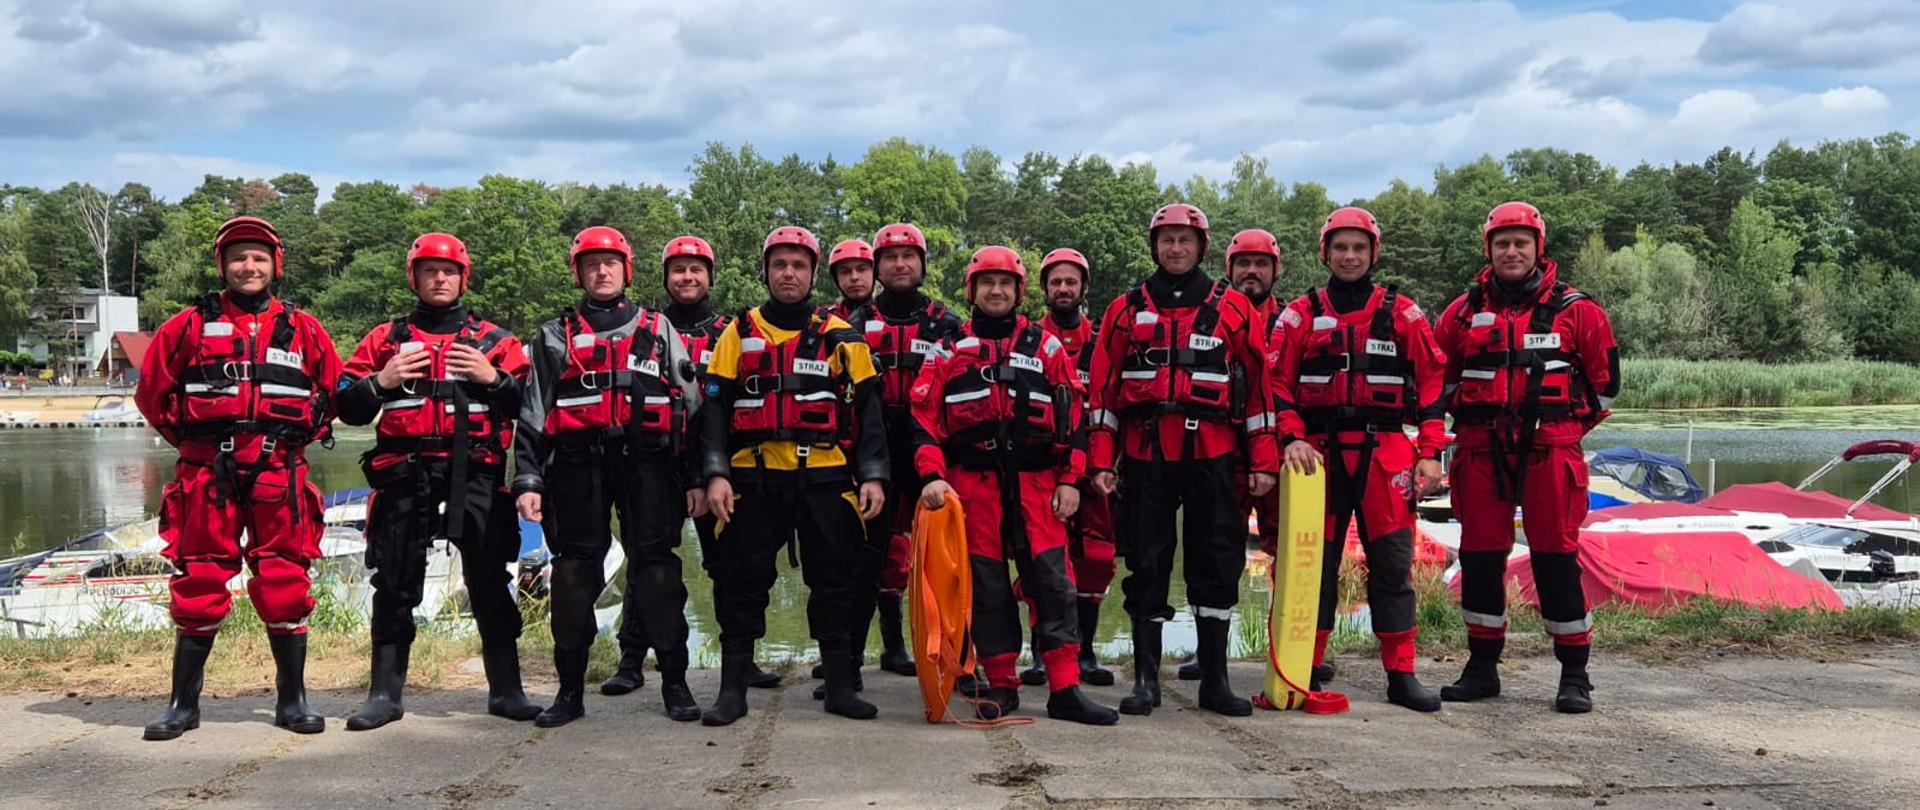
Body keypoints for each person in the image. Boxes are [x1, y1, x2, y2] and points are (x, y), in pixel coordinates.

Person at [134, 216, 341, 740]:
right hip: (206, 473)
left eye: (259, 258)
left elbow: (331, 395)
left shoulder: (305, 329)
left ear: (275, 266)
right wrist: (192, 446)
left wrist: (294, 443)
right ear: (222, 265)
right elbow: (152, 397)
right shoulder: (185, 327)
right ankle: (183, 704)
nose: (248, 267)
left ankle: (292, 701)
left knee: (286, 582)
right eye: (238, 258)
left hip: (281, 473)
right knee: (199, 578)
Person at [335, 232, 540, 731]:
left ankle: (506, 690)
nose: (440, 279)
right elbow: (344, 404)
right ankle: (384, 694)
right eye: (430, 271)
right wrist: (380, 381)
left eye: (448, 271)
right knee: (395, 581)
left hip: (479, 477)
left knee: (490, 581)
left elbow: (534, 409)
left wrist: (494, 379)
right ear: (415, 278)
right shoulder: (385, 340)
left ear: (462, 278)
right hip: (406, 474)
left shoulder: (497, 342)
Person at [911, 246, 1119, 725]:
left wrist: (1071, 480)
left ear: (1020, 291)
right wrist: (932, 475)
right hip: (972, 484)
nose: (997, 291)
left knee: (1054, 583)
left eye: (1006, 283)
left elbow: (1074, 419)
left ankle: (1064, 686)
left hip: (1037, 484)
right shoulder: (948, 348)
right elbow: (924, 421)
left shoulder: (1045, 347)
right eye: (987, 283)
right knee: (986, 588)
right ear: (973, 290)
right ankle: (1001, 682)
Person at [1087, 203, 1278, 718]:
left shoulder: (1234, 309)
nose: (1176, 248)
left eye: (1185, 240)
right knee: (1146, 561)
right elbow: (1103, 393)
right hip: (1145, 453)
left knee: (1217, 558)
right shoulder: (1124, 311)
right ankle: (1146, 680)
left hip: (1215, 453)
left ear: (1201, 248)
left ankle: (1214, 680)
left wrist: (1263, 462)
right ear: (1155, 246)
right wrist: (1102, 460)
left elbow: (1259, 395)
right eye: (1167, 239)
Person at [698, 225, 889, 726]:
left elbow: (870, 413)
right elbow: (714, 410)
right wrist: (716, 473)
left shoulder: (841, 336)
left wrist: (872, 475)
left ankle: (841, 687)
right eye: (779, 264)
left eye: (798, 265)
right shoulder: (737, 333)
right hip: (754, 478)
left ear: (811, 273)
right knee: (740, 581)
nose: (789, 273)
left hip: (825, 476)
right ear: (765, 272)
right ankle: (732, 690)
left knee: (838, 582)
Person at [1433, 201, 1619, 714]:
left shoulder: (1579, 310)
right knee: (1480, 556)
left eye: (1521, 243)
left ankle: (1575, 674)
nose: (1511, 251)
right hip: (1480, 448)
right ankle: (1481, 667)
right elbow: (1436, 384)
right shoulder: (1462, 312)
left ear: (1539, 247)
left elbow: (1606, 390)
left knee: (1555, 558)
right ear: (1489, 249)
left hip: (1550, 449)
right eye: (1502, 243)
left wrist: (1564, 430)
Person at [513, 226, 703, 727]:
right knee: (575, 573)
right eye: (592, 264)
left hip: (649, 464)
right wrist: (528, 480)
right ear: (579, 272)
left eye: (611, 263)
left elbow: (692, 407)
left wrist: (699, 478)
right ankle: (570, 692)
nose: (602, 271)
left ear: (626, 270)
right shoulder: (554, 336)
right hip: (577, 465)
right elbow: (533, 413)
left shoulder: (660, 329)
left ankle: (676, 684)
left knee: (658, 571)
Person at [1271, 207, 1448, 712]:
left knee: (1392, 564)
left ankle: (1401, 672)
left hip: (1388, 451)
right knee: (1315, 565)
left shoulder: (1405, 314)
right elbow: (1276, 385)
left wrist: (1431, 452)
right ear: (1325, 252)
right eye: (1340, 248)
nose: (1349, 257)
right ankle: (1307, 665)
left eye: (1359, 248)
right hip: (1317, 456)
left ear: (1373, 254)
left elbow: (1433, 384)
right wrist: (1291, 437)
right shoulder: (1299, 314)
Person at [600, 234, 785, 697]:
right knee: (647, 562)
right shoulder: (644, 328)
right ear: (665, 277)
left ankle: (741, 657)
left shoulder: (731, 331)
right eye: (678, 270)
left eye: (696, 269)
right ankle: (631, 657)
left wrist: (716, 467)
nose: (687, 277)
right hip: (656, 464)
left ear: (709, 276)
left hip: (715, 464)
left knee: (730, 564)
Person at [842, 223, 961, 682]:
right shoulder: (852, 325)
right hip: (873, 447)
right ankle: (850, 663)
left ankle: (949, 658)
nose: (900, 264)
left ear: (922, 264)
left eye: (908, 256)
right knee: (864, 556)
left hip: (929, 446)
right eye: (890, 258)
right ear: (877, 267)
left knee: (943, 557)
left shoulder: (947, 324)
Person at [1016, 248, 1116, 690]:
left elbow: (1114, 405)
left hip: (1096, 467)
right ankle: (1042, 654)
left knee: (1095, 559)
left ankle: (1087, 651)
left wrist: (1106, 465)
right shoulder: (1029, 340)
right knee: (1044, 564)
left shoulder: (1102, 342)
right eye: (1055, 282)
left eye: (1070, 282)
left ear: (1083, 288)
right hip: (1046, 468)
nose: (1063, 289)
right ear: (1043, 289)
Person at [825, 238, 875, 322]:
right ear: (836, 279)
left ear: (874, 273)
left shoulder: (891, 315)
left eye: (861, 270)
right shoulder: (825, 319)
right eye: (845, 272)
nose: (854, 277)